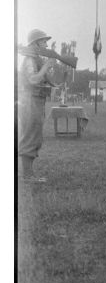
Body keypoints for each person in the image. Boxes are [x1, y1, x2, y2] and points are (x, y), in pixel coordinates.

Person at [18, 29, 57, 183]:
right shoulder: (29, 59)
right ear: (35, 43)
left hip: (36, 100)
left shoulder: (36, 59)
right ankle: (27, 175)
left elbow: (48, 80)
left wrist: (48, 68)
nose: (46, 44)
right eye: (43, 41)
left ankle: (29, 173)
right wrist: (46, 67)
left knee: (35, 135)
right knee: (30, 135)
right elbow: (33, 80)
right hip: (30, 100)